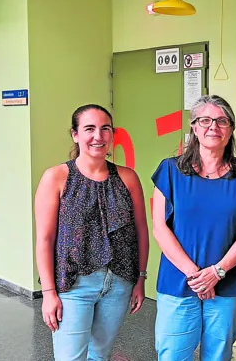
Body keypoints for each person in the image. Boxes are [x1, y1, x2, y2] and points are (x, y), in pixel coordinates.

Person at [151, 94, 236, 361]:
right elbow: (160, 227)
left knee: (218, 355)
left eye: (221, 121)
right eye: (205, 120)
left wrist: (217, 272)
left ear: (231, 129)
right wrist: (197, 276)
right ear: (193, 127)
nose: (212, 126)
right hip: (179, 281)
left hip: (229, 282)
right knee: (172, 355)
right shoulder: (170, 170)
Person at [34, 104, 150, 361]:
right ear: (75, 134)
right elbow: (45, 239)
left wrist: (141, 277)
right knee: (70, 357)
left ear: (112, 134)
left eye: (105, 129)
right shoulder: (57, 177)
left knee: (99, 355)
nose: (98, 136)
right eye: (89, 129)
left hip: (119, 283)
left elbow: (141, 230)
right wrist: (49, 293)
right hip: (73, 284)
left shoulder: (128, 177)